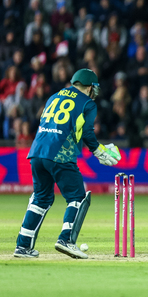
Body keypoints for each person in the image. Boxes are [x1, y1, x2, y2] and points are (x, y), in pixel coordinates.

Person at [14, 69, 122, 259]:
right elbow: (87, 131)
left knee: (40, 199)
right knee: (78, 197)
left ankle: (23, 246)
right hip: (60, 155)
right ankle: (66, 240)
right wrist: (98, 151)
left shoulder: (54, 97)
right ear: (90, 87)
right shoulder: (87, 104)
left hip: (37, 152)